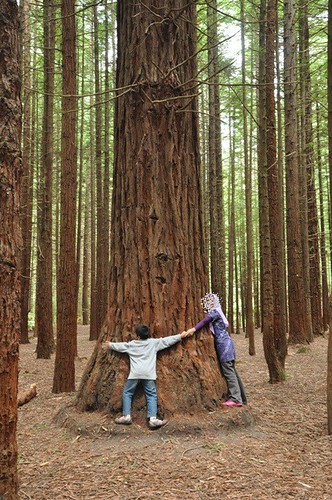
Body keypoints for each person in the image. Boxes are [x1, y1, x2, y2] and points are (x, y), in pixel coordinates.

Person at [103, 324, 194, 428]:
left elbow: (120, 346)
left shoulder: (132, 344)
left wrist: (110, 344)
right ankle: (153, 419)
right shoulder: (153, 343)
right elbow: (166, 341)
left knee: (127, 393)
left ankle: (127, 416)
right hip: (148, 374)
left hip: (135, 373)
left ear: (137, 336)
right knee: (151, 395)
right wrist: (180, 336)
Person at [186, 293, 247, 407]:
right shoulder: (218, 312)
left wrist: (193, 329)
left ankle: (236, 399)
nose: (207, 304)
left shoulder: (215, 312)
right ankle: (242, 398)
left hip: (224, 346)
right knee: (232, 371)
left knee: (229, 372)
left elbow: (205, 321)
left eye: (209, 302)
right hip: (227, 344)